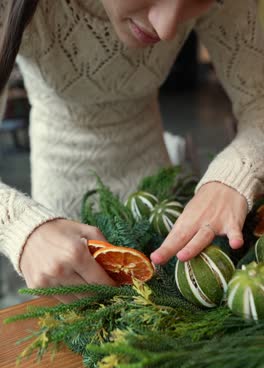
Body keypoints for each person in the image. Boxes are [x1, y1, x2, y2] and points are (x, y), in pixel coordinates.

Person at [0, 0, 263, 301]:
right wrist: (18, 225)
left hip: (162, 203)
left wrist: (235, 172)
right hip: (59, 205)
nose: (166, 30)